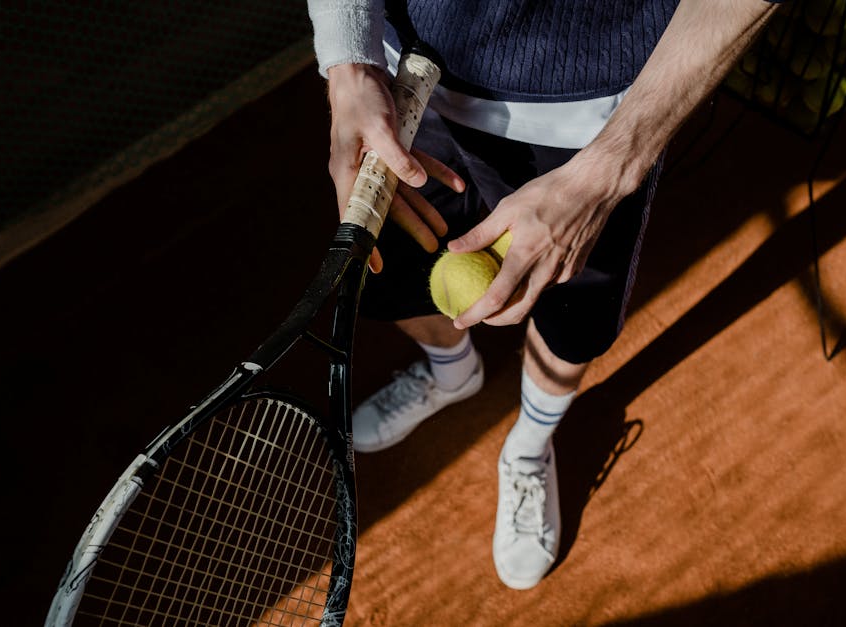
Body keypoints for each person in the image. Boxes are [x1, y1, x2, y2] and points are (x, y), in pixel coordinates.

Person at [307, 0, 782, 590]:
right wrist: (349, 61)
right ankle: (452, 374)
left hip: (586, 125)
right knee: (394, 273)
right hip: (401, 81)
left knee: (571, 315)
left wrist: (610, 167)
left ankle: (530, 443)